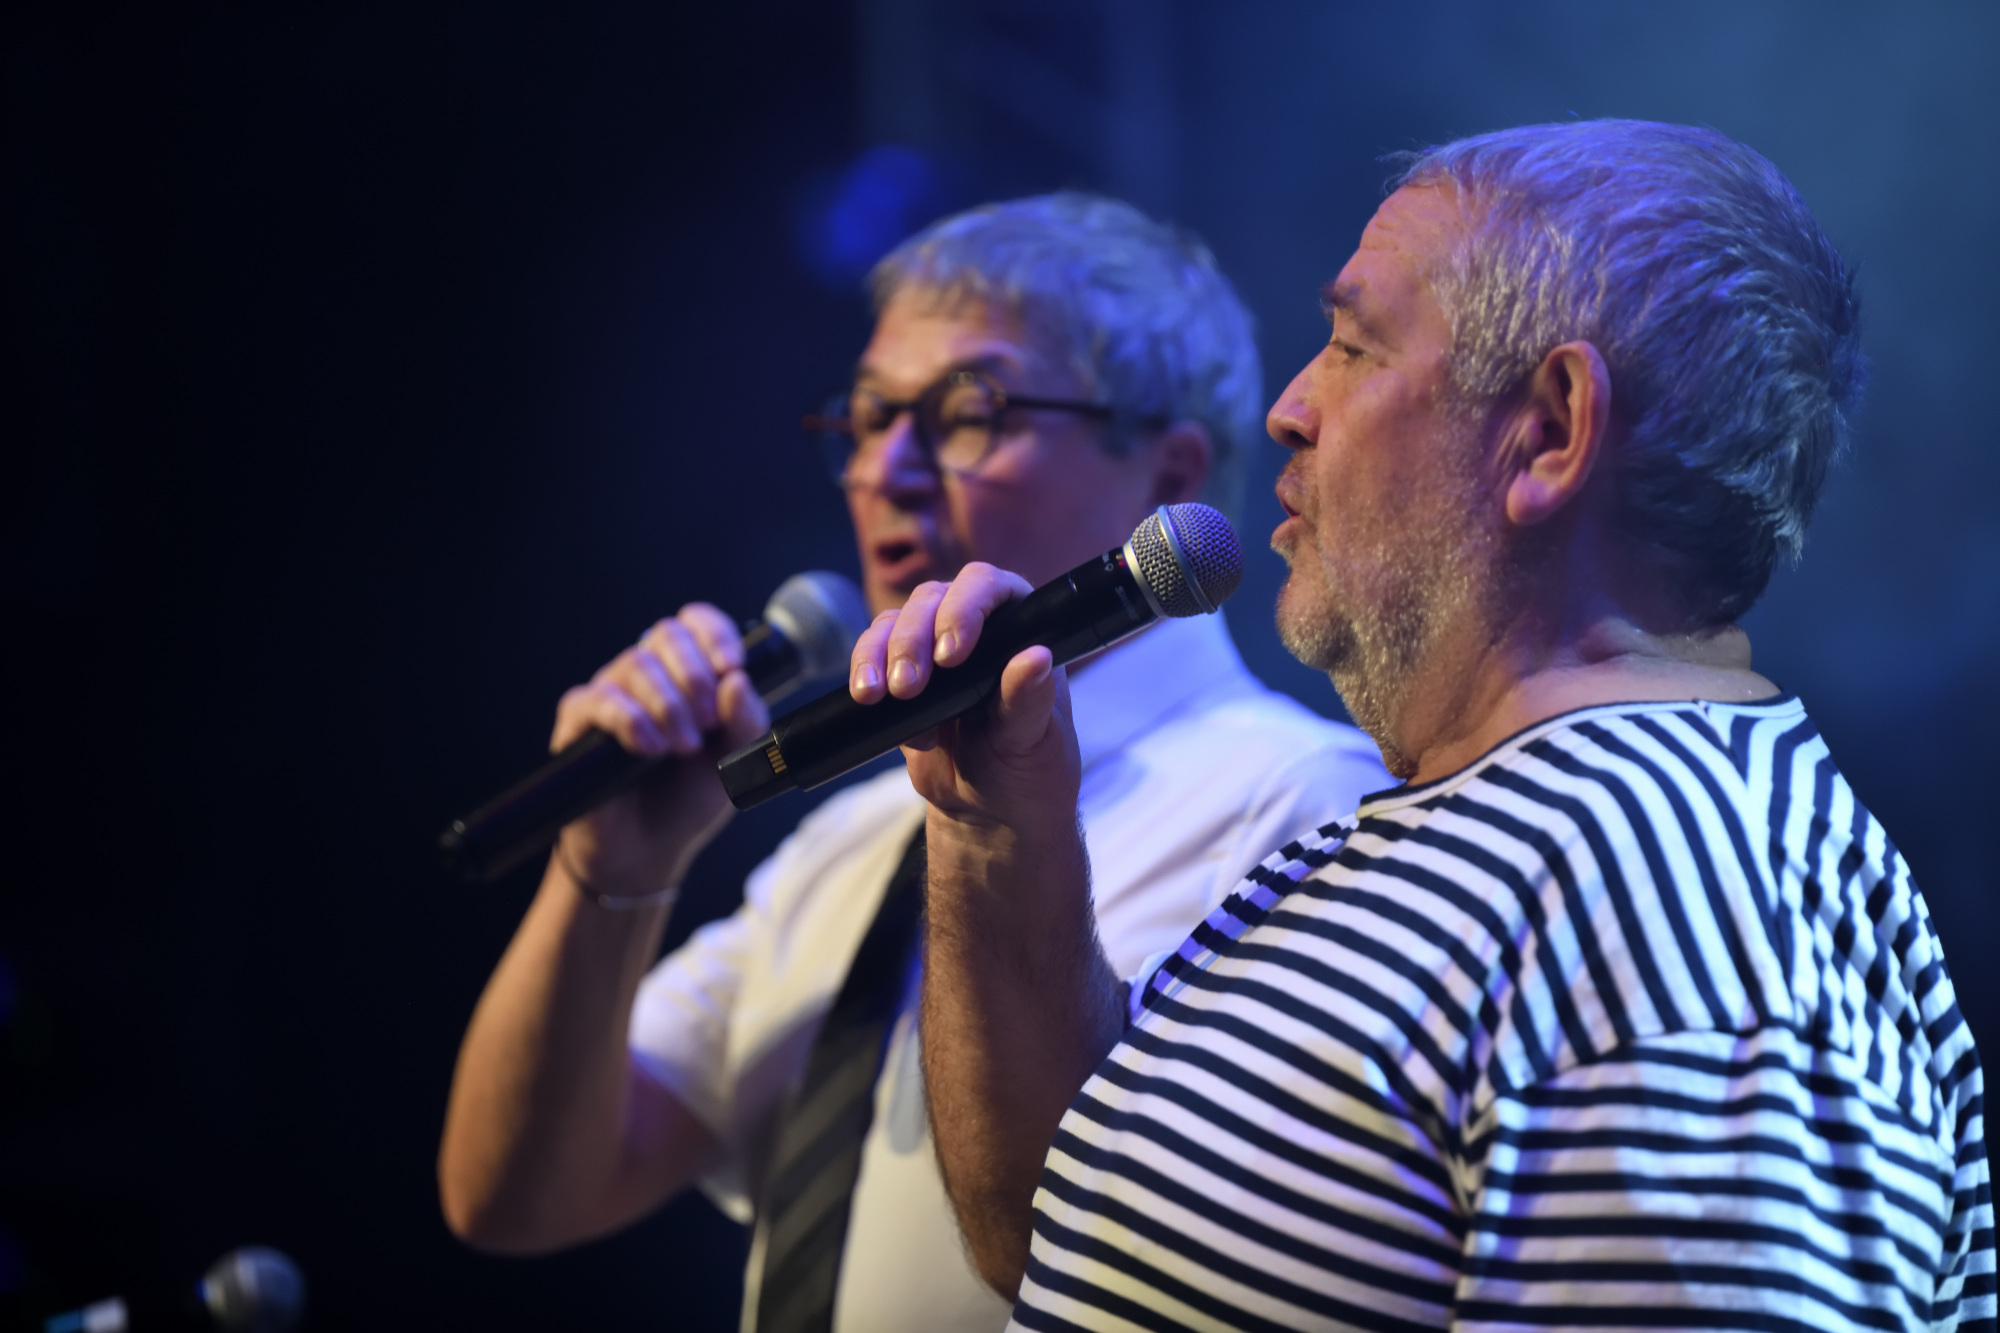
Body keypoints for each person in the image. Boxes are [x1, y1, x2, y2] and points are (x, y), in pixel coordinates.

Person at [873, 123, 1995, 1330]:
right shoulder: (1478, 830)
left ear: (1550, 431)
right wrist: (995, 834)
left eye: (1353, 345)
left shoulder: (1675, 908)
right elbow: (1058, 1235)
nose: (1287, 410)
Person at [437, 193, 1390, 1332]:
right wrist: (612, 875)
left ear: (1170, 472)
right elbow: (518, 1195)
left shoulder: (1310, 809)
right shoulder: (846, 840)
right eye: (867, 417)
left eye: (966, 412)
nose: (885, 469)